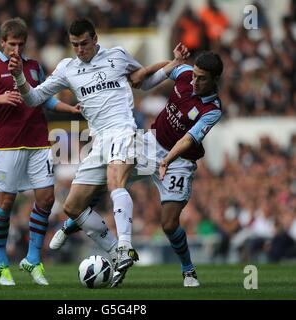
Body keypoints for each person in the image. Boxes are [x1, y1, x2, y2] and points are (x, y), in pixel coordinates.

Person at [9, 18, 169, 287]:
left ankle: (126, 247)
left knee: (115, 180)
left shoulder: (117, 56)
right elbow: (34, 99)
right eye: (74, 45)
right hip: (97, 141)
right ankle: (116, 252)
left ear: (95, 39)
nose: (80, 50)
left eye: (84, 44)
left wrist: (170, 68)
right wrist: (18, 77)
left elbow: (144, 80)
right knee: (72, 206)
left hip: (122, 130)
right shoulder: (67, 68)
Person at [50, 45, 224, 287]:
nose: (194, 81)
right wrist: (167, 64)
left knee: (169, 224)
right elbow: (159, 72)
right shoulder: (184, 74)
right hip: (150, 144)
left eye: (202, 79)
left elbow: (187, 140)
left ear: (215, 80)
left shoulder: (212, 110)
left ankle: (188, 270)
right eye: (194, 75)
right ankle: (71, 224)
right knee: (109, 178)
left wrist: (167, 160)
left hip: (178, 161)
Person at [0, 17, 80, 286]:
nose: (16, 50)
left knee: (46, 200)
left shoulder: (34, 67)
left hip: (39, 143)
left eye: (20, 44)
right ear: (2, 42)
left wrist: (70, 109)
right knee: (5, 205)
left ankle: (33, 259)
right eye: (12, 45)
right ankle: (0, 262)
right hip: (7, 146)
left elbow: (46, 98)